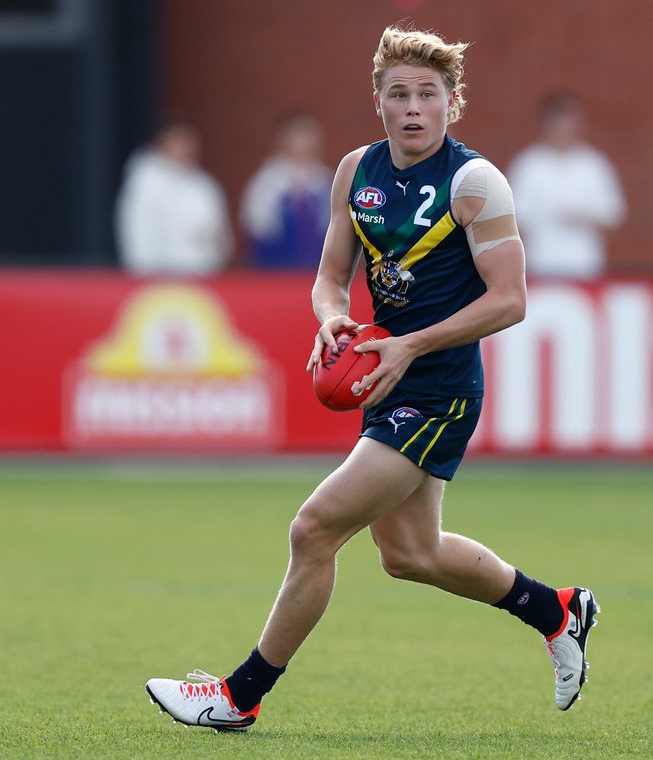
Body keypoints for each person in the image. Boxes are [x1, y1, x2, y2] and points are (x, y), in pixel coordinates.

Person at [145, 26, 600, 733]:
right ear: (378, 103)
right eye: (400, 94)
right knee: (409, 555)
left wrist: (408, 347)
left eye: (429, 94)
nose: (415, 107)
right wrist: (331, 319)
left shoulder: (474, 183)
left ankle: (239, 695)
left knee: (314, 529)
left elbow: (509, 300)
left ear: (453, 102)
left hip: (440, 389)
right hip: (390, 380)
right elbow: (331, 277)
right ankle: (556, 610)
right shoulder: (356, 172)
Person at [507, 91, 627, 279]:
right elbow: (512, 220)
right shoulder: (528, 166)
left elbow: (612, 215)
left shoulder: (594, 166)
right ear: (545, 125)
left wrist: (583, 216)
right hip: (538, 267)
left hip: (585, 267)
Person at [114, 121, 233, 276]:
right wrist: (142, 273)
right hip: (159, 279)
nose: (187, 148)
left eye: (190, 142)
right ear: (163, 143)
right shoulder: (145, 183)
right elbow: (137, 233)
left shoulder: (204, 185)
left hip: (202, 278)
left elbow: (221, 233)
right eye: (180, 142)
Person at [241, 112, 334, 269]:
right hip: (276, 269)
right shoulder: (267, 181)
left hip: (318, 269)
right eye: (300, 135)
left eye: (310, 135)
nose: (306, 143)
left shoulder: (326, 179)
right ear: (284, 140)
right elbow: (257, 226)